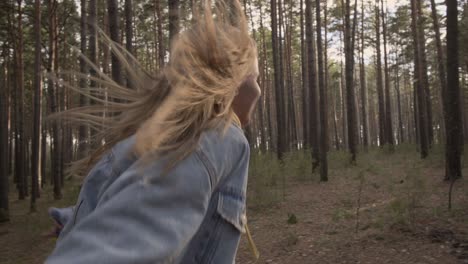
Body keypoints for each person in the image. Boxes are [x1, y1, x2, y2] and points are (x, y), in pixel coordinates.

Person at [45, 1, 260, 263]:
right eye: (255, 78)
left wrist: (74, 222)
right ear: (233, 80)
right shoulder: (215, 137)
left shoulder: (143, 144)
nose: (259, 91)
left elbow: (134, 207)